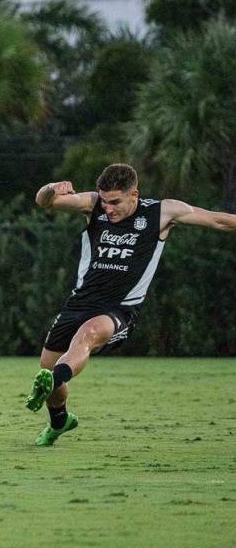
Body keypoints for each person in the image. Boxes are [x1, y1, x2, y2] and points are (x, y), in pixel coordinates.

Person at [26, 163, 236, 445]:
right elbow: (45, 202)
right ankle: (60, 420)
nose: (108, 209)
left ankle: (57, 377)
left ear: (134, 194)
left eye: (115, 202)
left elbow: (218, 220)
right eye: (105, 202)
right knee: (46, 371)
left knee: (86, 336)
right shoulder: (93, 205)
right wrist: (51, 188)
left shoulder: (162, 212)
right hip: (79, 302)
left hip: (119, 309)